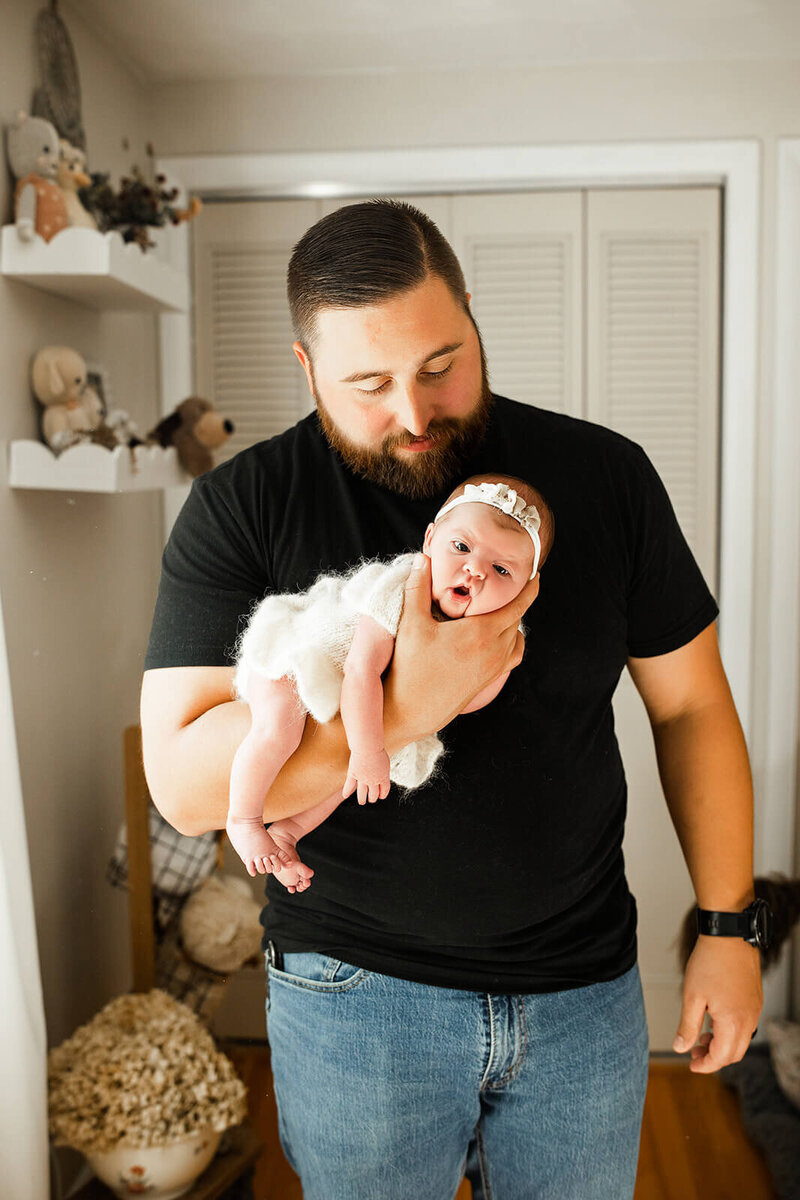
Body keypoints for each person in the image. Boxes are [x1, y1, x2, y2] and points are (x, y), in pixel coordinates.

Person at [141, 199, 762, 1200]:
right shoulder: (242, 506)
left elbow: (689, 707)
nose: (415, 413)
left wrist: (730, 932)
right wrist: (400, 708)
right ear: (305, 369)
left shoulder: (604, 479)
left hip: (581, 1000)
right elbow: (180, 783)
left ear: (470, 317)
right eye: (369, 385)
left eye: (439, 364)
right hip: (354, 1002)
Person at [226, 474, 554, 890]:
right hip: (303, 657)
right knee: (283, 729)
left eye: (501, 568)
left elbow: (462, 702)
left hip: (366, 705)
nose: (474, 570)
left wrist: (494, 665)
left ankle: (287, 833)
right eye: (461, 546)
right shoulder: (400, 587)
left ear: (526, 590)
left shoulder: (497, 636)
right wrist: (368, 748)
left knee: (349, 778)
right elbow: (362, 670)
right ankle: (243, 819)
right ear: (430, 540)